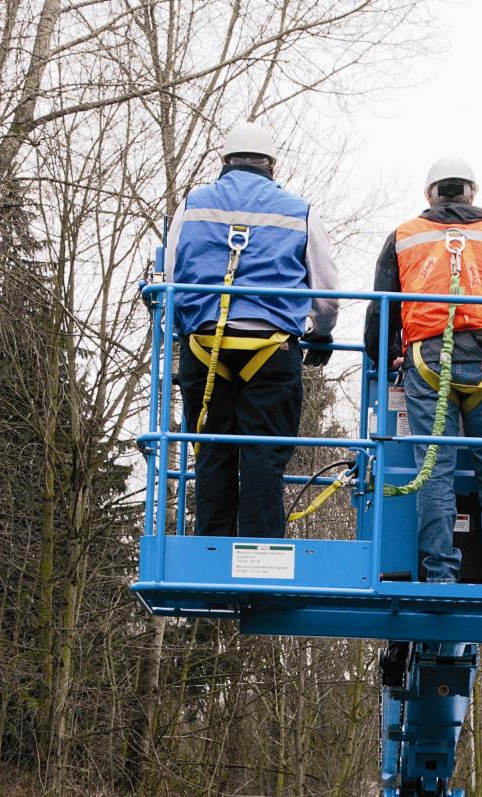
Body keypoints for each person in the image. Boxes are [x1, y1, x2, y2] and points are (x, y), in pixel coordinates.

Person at [367, 157, 482, 584]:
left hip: (426, 360)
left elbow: (380, 309)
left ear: (430, 194)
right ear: (472, 193)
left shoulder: (406, 236)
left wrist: (385, 353)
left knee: (434, 468)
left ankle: (440, 572)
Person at [164, 121, 339, 537]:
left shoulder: (193, 205)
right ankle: (261, 557)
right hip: (272, 347)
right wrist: (321, 333)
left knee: (212, 453)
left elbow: (169, 277)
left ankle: (211, 552)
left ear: (225, 161)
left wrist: (182, 333)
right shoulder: (297, 210)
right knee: (263, 455)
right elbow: (328, 292)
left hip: (205, 347)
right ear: (270, 165)